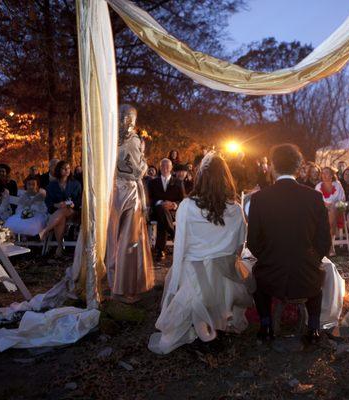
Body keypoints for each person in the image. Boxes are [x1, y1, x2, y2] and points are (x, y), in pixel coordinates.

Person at [149, 152, 250, 354]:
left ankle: (205, 332)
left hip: (195, 271)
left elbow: (181, 246)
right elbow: (240, 247)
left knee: (196, 275)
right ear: (225, 178)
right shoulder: (236, 209)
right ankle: (213, 327)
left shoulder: (187, 206)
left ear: (200, 177)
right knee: (221, 270)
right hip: (226, 273)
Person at [248, 144, 331, 344]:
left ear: (274, 166)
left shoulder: (259, 198)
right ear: (298, 167)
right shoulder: (314, 196)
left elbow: (252, 242)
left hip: (271, 274)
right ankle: (313, 329)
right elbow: (324, 240)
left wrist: (269, 256)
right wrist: (311, 258)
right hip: (306, 273)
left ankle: (266, 325)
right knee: (316, 285)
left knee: (258, 284)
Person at [105, 104, 155, 303]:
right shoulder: (133, 140)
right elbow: (137, 171)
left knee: (111, 236)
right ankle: (125, 287)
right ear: (131, 119)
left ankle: (109, 281)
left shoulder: (108, 138)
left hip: (110, 191)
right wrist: (144, 159)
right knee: (129, 239)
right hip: (127, 191)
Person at [39, 160, 82, 257]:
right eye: (64, 168)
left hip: (73, 212)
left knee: (63, 211)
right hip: (58, 213)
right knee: (61, 217)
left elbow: (79, 200)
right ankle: (59, 247)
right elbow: (48, 201)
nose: (67, 170)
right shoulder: (51, 185)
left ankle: (45, 230)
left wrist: (73, 204)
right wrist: (56, 205)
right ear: (59, 170)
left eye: (68, 168)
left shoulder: (76, 184)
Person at [148, 158, 185, 260]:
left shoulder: (178, 182)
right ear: (160, 167)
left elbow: (182, 200)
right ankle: (174, 234)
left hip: (172, 212)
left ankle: (160, 250)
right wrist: (160, 203)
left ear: (171, 167)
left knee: (162, 218)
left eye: (167, 166)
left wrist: (174, 204)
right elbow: (150, 199)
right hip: (156, 211)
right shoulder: (153, 182)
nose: (165, 168)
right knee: (161, 209)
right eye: (163, 166)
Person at [315, 167, 345, 255]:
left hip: (338, 209)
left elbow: (342, 200)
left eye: (326, 173)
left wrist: (334, 204)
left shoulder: (338, 185)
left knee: (332, 210)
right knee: (328, 213)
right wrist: (325, 205)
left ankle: (329, 246)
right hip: (322, 211)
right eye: (322, 173)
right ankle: (330, 246)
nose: (324, 175)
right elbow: (316, 202)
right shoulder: (318, 186)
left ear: (332, 175)